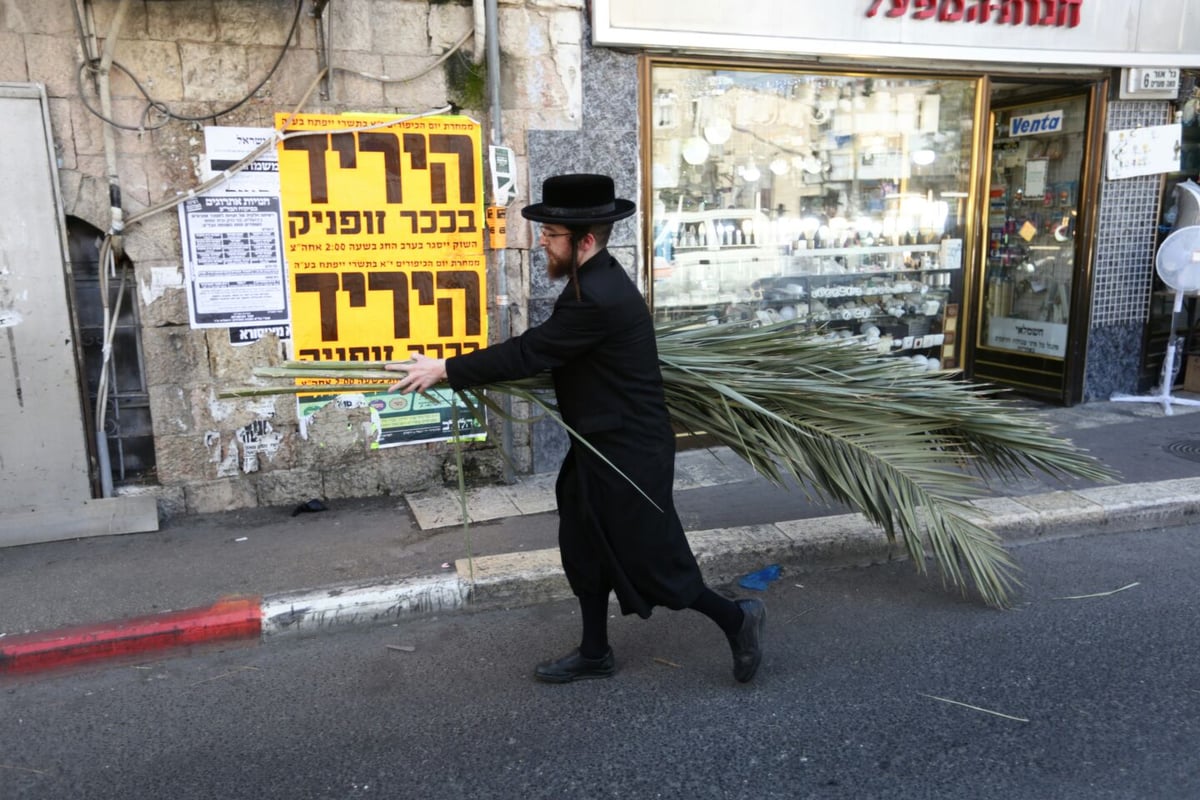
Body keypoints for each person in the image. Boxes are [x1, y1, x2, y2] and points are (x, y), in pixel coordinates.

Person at [386, 174, 765, 684]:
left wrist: (446, 370)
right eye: (545, 229)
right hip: (598, 444)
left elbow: (532, 350)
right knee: (583, 546)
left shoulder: (597, 296)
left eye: (553, 232)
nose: (542, 238)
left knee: (653, 559)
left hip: (629, 451)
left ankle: (738, 618)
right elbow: (557, 350)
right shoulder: (594, 279)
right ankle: (594, 651)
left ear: (585, 239)